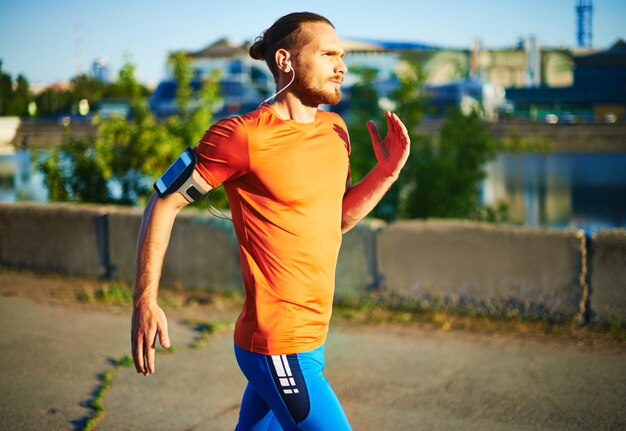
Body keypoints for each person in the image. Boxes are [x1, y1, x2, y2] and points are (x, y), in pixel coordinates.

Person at [131, 11, 410, 430]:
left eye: (343, 55)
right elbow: (164, 200)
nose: (342, 66)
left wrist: (385, 172)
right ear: (286, 61)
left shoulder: (336, 131)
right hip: (278, 345)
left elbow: (335, 221)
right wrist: (144, 301)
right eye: (329, 54)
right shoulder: (241, 136)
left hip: (312, 338)